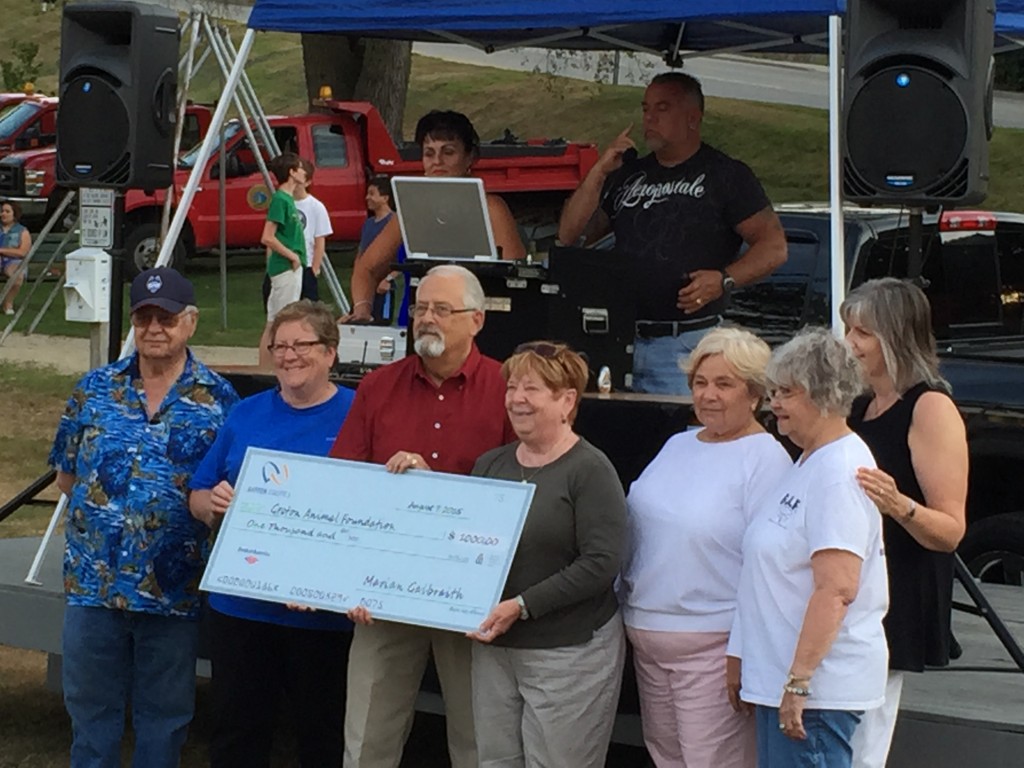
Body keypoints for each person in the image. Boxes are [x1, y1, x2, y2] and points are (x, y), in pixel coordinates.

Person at [48, 266, 239, 768]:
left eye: (167, 318)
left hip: (172, 591)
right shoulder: (94, 389)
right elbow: (66, 476)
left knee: (165, 717)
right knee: (91, 713)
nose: (155, 328)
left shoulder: (219, 401)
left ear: (190, 323)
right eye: (144, 317)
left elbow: (230, 487)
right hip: (94, 585)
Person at [330, 263, 516, 768]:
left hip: (471, 594)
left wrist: (432, 484)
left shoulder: (508, 388)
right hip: (383, 590)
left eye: (442, 309)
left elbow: (521, 492)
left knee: (478, 740)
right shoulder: (377, 387)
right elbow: (343, 484)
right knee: (368, 737)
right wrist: (349, 580)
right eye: (420, 308)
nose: (426, 319)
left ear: (476, 320)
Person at [189, 300, 356, 768]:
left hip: (321, 614)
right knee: (237, 732)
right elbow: (198, 493)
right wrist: (211, 505)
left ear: (330, 352)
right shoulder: (246, 414)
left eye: (302, 345)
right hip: (241, 605)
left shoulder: (359, 413)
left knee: (323, 735)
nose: (288, 356)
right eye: (279, 346)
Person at [620, 328, 792, 768]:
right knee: (665, 757)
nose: (708, 395)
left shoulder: (765, 458)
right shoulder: (678, 444)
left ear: (755, 394)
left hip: (714, 648)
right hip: (647, 636)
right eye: (700, 382)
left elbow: (769, 567)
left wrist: (743, 652)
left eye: (724, 383)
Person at [557, 72, 787, 394]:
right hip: (619, 336)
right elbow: (570, 235)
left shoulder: (726, 175)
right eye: (645, 108)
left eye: (662, 108)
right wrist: (599, 172)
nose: (649, 117)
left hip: (686, 342)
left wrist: (724, 279)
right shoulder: (629, 173)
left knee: (683, 435)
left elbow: (774, 247)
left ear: (693, 117)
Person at [729, 327, 888, 768]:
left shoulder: (840, 472)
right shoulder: (807, 460)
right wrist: (743, 655)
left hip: (818, 693)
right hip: (780, 680)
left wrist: (799, 685)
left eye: (787, 393)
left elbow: (837, 589)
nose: (774, 403)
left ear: (824, 394)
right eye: (774, 391)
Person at [467, 341, 627, 767]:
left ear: (567, 400)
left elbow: (601, 562)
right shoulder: (490, 465)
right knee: (496, 762)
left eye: (532, 389)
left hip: (568, 652)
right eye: (512, 387)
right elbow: (462, 545)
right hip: (495, 650)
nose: (517, 399)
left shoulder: (590, 470)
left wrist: (522, 606)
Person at [841, 278, 968, 768]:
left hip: (899, 586)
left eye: (863, 333)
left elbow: (951, 529)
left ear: (895, 337)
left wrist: (899, 505)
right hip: (851, 579)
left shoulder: (930, 406)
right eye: (849, 329)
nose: (850, 343)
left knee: (865, 736)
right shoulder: (857, 404)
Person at [346, 110, 526, 323]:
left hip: (476, 326)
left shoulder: (491, 207)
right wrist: (361, 312)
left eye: (448, 152)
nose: (437, 161)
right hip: (418, 323)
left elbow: (517, 278)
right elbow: (366, 267)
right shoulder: (412, 209)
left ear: (470, 157)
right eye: (429, 153)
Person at [258, 152, 307, 367]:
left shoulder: (288, 200)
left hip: (291, 267)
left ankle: (270, 366)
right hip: (286, 267)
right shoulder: (280, 199)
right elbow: (267, 236)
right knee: (279, 321)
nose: (304, 172)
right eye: (300, 168)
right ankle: (268, 367)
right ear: (292, 172)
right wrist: (292, 255)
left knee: (277, 319)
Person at [295, 158, 333, 302]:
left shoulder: (316, 206)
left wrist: (315, 268)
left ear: (308, 182)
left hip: (307, 265)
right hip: (286, 265)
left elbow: (319, 240)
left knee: (308, 308)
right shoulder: (284, 202)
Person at [0, 199, 31, 314]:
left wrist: (2, 250)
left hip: (14, 261)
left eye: (7, 211)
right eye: (2, 211)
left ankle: (8, 303)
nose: (3, 214)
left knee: (17, 276)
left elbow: (22, 252)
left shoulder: (22, 231)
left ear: (15, 214)